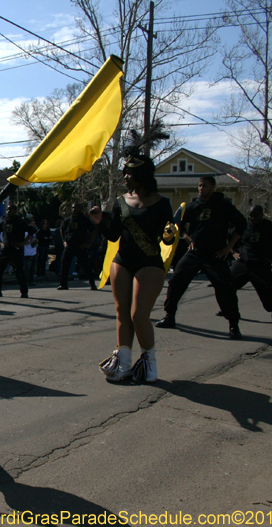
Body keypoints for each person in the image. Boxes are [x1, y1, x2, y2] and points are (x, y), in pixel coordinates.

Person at [91, 151, 175, 383]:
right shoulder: (120, 202)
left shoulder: (162, 204)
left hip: (149, 262)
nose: (126, 176)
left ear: (142, 175)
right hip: (122, 261)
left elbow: (167, 239)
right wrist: (100, 223)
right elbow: (114, 235)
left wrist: (170, 236)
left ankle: (149, 365)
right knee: (122, 313)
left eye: (130, 173)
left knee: (139, 315)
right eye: (125, 172)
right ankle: (124, 364)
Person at [155, 176, 247, 339]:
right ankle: (170, 316)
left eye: (204, 186)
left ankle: (234, 324)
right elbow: (180, 226)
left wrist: (228, 247)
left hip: (215, 254)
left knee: (225, 288)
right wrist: (188, 238)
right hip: (195, 253)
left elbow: (241, 225)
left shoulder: (223, 205)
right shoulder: (193, 206)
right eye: (199, 186)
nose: (201, 189)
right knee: (176, 281)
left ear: (213, 187)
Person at [230, 205, 272, 323]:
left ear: (261, 215)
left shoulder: (269, 229)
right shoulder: (244, 227)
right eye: (250, 215)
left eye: (255, 215)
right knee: (227, 284)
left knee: (267, 291)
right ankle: (228, 309)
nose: (252, 218)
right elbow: (231, 238)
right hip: (243, 263)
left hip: (260, 264)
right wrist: (233, 252)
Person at [0, 202, 28, 298]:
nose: (8, 211)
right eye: (7, 209)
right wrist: (1, 242)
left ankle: (24, 291)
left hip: (16, 249)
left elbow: (32, 231)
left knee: (19, 270)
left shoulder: (20, 222)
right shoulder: (4, 222)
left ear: (15, 211)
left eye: (10, 209)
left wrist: (23, 242)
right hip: (6, 249)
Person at [58, 203, 98, 290]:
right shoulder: (68, 219)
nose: (74, 209)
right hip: (70, 245)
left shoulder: (84, 219)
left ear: (80, 208)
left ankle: (92, 284)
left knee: (86, 266)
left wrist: (89, 244)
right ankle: (63, 284)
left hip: (80, 246)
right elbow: (62, 228)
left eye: (76, 207)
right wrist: (64, 241)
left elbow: (94, 230)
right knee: (64, 264)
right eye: (72, 207)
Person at [23, 216, 38, 285]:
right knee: (27, 268)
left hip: (33, 251)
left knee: (32, 268)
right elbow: (24, 242)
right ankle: (26, 281)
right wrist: (31, 241)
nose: (33, 225)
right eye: (32, 224)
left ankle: (31, 281)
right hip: (27, 252)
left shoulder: (34, 232)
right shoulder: (26, 233)